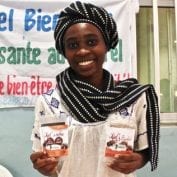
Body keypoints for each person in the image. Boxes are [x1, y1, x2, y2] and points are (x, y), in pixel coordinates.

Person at [30, 1, 160, 177]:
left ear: (106, 45)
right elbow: (48, 161)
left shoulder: (131, 99)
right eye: (73, 45)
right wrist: (42, 165)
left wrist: (139, 159)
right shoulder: (50, 103)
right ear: (64, 51)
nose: (82, 51)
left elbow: (143, 150)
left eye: (91, 42)